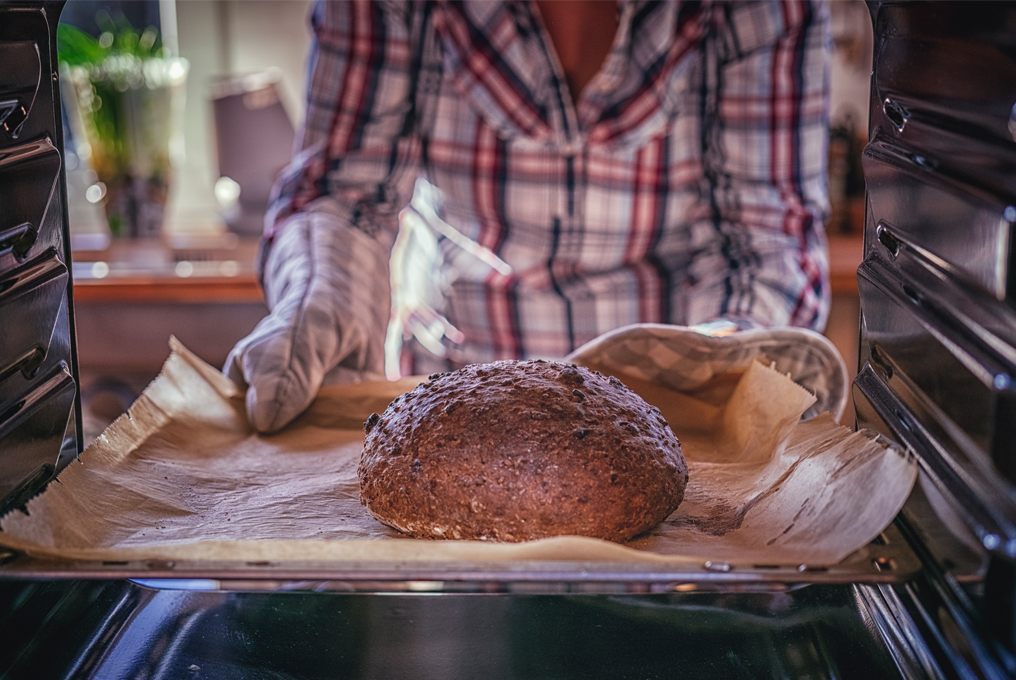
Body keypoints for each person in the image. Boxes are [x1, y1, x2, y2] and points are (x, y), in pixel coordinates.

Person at [225, 0, 833, 433]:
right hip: (445, 402)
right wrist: (318, 297)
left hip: (664, 413)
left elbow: (763, 244)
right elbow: (345, 197)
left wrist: (716, 386)